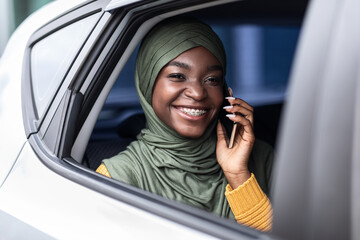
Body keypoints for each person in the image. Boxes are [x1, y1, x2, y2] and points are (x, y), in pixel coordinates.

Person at [96, 17, 273, 232]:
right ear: (148, 82)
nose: (198, 93)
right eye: (178, 76)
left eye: (212, 80)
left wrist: (238, 175)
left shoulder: (262, 159)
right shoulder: (119, 177)